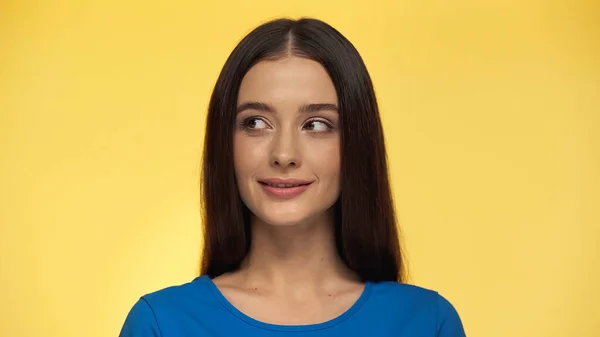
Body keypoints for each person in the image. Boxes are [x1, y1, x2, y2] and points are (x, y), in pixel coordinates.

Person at [119, 17, 466, 337]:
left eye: (317, 124)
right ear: (224, 143)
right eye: (255, 122)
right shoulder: (162, 324)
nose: (284, 155)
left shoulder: (426, 322)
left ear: (357, 144)